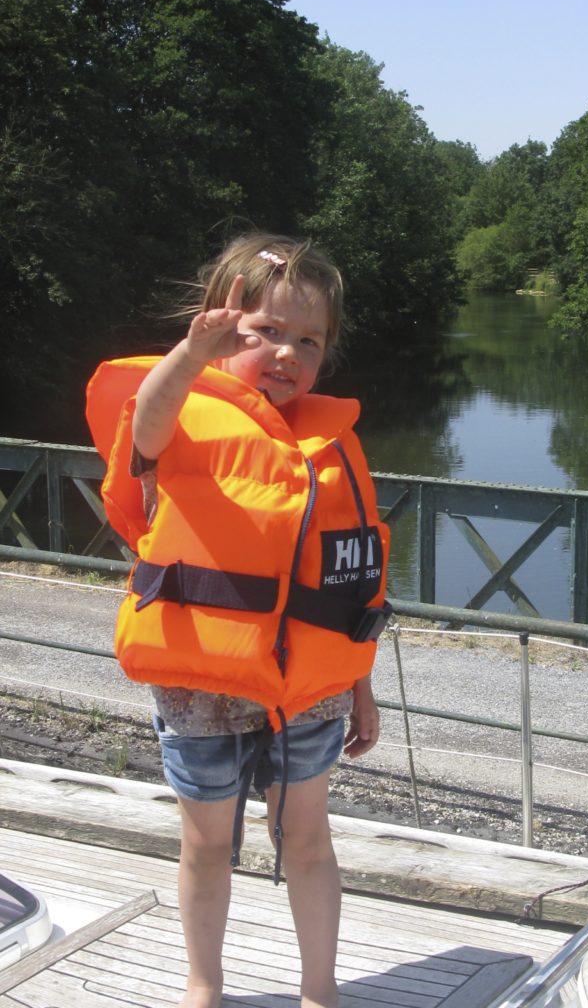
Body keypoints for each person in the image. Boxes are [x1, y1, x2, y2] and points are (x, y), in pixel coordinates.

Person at [86, 233, 391, 1008]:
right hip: (200, 686)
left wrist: (361, 685)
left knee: (309, 842)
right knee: (206, 844)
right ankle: (204, 986)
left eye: (308, 340)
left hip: (311, 693)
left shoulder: (332, 447)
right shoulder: (179, 413)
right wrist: (188, 358)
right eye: (263, 333)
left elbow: (350, 583)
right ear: (220, 330)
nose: (287, 353)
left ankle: (319, 991)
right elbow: (144, 428)